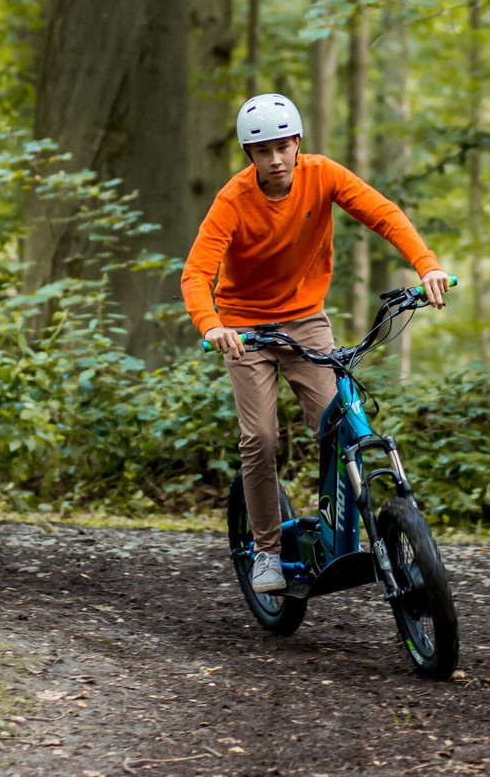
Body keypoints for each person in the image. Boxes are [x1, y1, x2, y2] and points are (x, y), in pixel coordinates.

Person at [181, 92, 450, 593]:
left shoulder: (323, 175)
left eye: (284, 146)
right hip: (245, 332)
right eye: (264, 151)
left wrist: (427, 265)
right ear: (250, 156)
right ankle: (265, 551)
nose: (276, 158)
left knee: (340, 422)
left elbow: (383, 214)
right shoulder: (233, 201)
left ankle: (339, 529)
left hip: (305, 320)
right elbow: (197, 272)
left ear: (297, 142)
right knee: (260, 438)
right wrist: (211, 323)